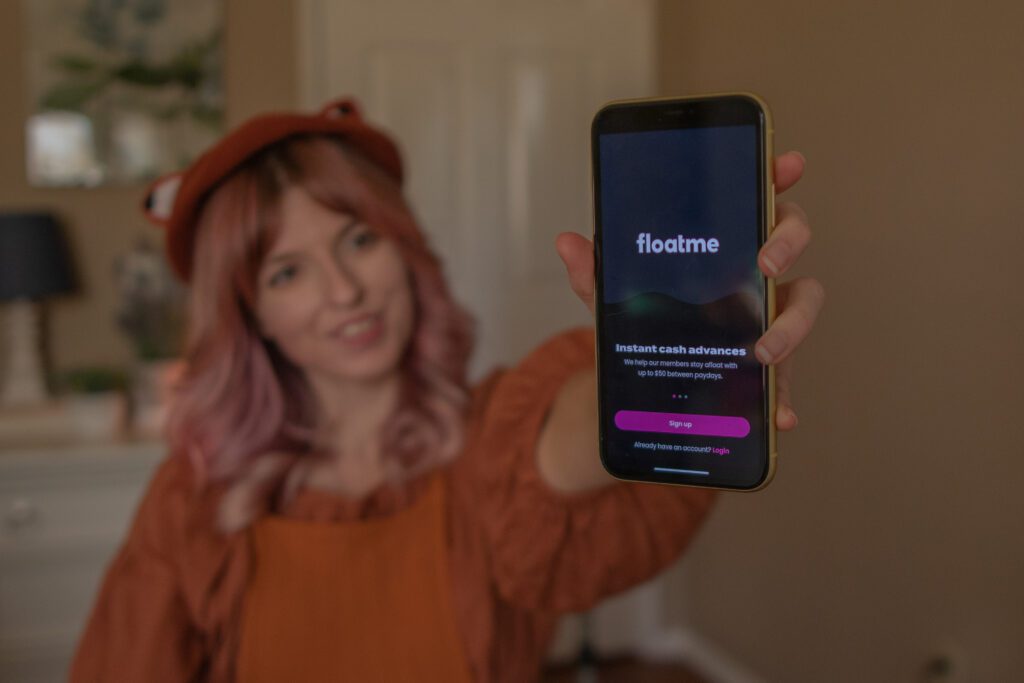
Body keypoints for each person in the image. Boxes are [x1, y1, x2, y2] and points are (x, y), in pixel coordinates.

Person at [70, 97, 823, 682]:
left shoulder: (488, 435)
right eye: (287, 271)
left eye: (359, 240)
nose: (343, 291)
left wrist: (695, 337)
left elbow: (565, 442)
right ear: (250, 314)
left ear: (404, 250)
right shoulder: (191, 498)